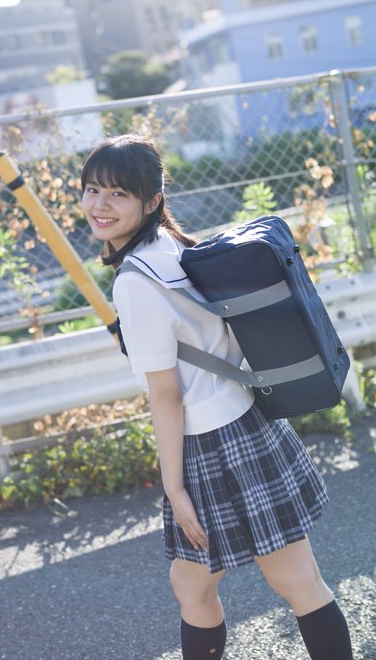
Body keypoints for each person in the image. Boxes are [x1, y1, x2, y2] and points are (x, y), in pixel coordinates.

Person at [81, 134, 354, 660]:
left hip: (208, 443)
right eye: (93, 189)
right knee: (283, 580)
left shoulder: (134, 281)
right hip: (251, 421)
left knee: (230, 583)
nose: (100, 205)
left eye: (118, 193)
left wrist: (173, 486)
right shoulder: (173, 245)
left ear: (151, 201)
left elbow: (166, 396)